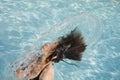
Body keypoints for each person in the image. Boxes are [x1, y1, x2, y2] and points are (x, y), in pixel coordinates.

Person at [15, 28, 86, 80]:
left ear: (55, 56)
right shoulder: (36, 57)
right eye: (53, 42)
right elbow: (17, 74)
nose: (48, 44)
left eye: (52, 45)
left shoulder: (46, 75)